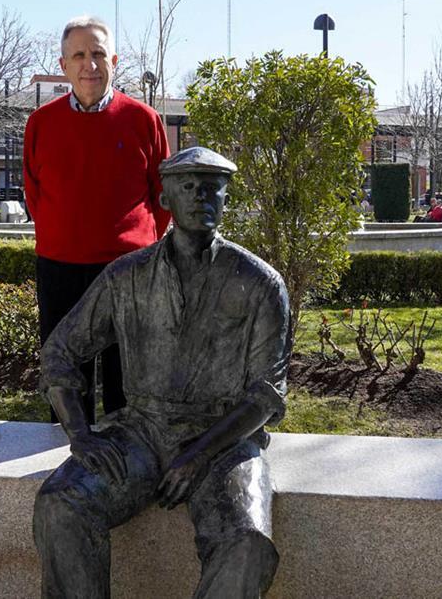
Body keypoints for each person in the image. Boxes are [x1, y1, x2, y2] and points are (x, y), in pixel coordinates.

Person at [33, 147, 288, 599]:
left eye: (212, 188)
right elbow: (61, 352)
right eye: (187, 187)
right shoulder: (126, 276)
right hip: (141, 432)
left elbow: (265, 395)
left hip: (223, 438)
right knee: (60, 504)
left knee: (247, 543)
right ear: (165, 197)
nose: (200, 196)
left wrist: (199, 454)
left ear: (227, 196)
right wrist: (80, 434)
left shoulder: (260, 282)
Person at [23, 15, 171, 423]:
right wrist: (62, 232)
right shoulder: (40, 123)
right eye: (80, 55)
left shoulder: (145, 120)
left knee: (128, 372)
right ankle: (64, 456)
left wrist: (139, 242)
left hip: (129, 268)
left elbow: (164, 195)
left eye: (99, 54)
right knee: (67, 372)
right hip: (59, 265)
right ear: (63, 65)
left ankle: (129, 457)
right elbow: (34, 191)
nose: (90, 64)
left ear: (114, 60)